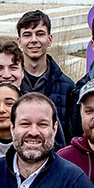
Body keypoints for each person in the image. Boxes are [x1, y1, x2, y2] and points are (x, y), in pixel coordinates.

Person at [17, 10, 77, 144]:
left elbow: (73, 136)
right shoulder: (1, 82)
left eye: (40, 34)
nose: (34, 40)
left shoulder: (67, 87)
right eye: (27, 35)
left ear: (49, 39)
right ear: (19, 41)